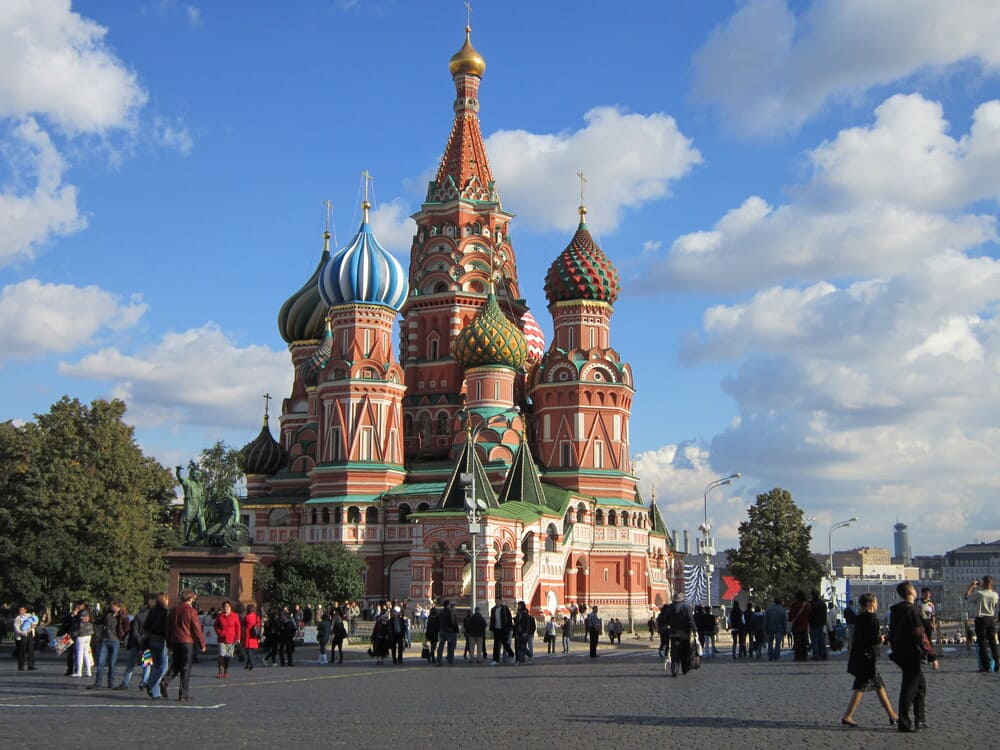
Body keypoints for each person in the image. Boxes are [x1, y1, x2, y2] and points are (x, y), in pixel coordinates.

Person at [840, 594, 899, 728]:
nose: (877, 604)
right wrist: (882, 638)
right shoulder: (873, 618)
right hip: (867, 658)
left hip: (860, 656)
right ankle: (848, 716)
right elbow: (873, 639)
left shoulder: (859, 618)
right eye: (876, 601)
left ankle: (892, 715)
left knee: (879, 686)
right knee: (860, 687)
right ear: (870, 603)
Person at [889, 581, 938, 733]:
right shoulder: (912, 611)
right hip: (911, 653)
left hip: (900, 652)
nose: (916, 591)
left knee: (920, 686)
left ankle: (920, 719)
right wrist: (932, 656)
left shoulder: (896, 611)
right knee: (909, 688)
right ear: (910, 592)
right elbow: (920, 635)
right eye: (914, 589)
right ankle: (904, 723)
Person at [161, 589, 206, 701]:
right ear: (191, 598)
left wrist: (168, 642)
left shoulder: (173, 610)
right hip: (187, 642)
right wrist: (202, 643)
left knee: (176, 664)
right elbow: (196, 628)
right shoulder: (191, 611)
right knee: (186, 668)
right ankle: (183, 694)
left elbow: (168, 627)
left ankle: (165, 680)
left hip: (175, 641)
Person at [118, 594, 155, 690]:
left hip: (137, 643)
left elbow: (134, 632)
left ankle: (125, 683)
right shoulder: (153, 616)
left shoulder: (139, 616)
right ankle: (144, 682)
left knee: (131, 664)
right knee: (146, 665)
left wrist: (139, 642)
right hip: (147, 642)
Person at [89, 599, 129, 689]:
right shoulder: (108, 614)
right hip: (105, 639)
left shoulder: (122, 616)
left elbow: (127, 627)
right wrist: (91, 620)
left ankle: (111, 682)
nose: (111, 607)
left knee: (112, 663)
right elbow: (100, 621)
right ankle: (98, 683)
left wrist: (122, 635)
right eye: (111, 606)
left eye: (113, 606)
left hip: (115, 641)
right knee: (100, 662)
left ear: (117, 606)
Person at [965, 576, 999, 672]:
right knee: (993, 643)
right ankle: (997, 664)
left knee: (982, 643)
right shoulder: (995, 595)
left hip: (981, 619)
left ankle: (986, 665)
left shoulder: (980, 594)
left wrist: (971, 586)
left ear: (984, 582)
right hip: (991, 619)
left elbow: (966, 597)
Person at [143, 593, 170, 698]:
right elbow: (167, 628)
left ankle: (155, 693)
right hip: (161, 639)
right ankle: (150, 684)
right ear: (164, 600)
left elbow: (146, 626)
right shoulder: (165, 612)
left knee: (155, 666)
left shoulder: (152, 611)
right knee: (164, 666)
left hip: (151, 639)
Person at [664, 592, 696, 677]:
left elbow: (665, 620)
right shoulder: (686, 608)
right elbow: (690, 620)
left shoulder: (670, 608)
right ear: (682, 599)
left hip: (674, 634)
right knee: (685, 653)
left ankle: (674, 669)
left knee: (674, 653)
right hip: (685, 635)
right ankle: (685, 669)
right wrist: (695, 631)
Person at [176, 464, 207, 543]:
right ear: (193, 475)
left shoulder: (200, 485)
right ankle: (186, 539)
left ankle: (203, 538)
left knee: (201, 521)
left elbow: (202, 496)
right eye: (196, 474)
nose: (198, 476)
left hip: (198, 505)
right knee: (188, 522)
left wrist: (203, 504)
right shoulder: (188, 483)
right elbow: (181, 479)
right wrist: (178, 471)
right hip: (190, 504)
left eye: (199, 475)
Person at [213, 600, 241, 678]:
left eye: (228, 606)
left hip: (231, 638)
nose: (226, 608)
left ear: (230, 607)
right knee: (221, 655)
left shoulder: (235, 616)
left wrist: (238, 638)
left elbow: (238, 627)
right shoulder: (220, 616)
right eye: (225, 606)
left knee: (228, 656)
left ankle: (226, 671)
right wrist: (219, 633)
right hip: (221, 638)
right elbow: (215, 626)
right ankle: (220, 672)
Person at [13, 604, 38, 671]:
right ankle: (21, 666)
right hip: (22, 635)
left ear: (25, 610)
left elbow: (35, 620)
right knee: (22, 651)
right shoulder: (17, 618)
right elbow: (17, 629)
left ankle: (31, 665)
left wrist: (33, 626)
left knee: (30, 650)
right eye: (20, 610)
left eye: (22, 609)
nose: (21, 611)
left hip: (30, 634)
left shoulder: (29, 615)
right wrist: (24, 632)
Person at [489, 597, 514, 665]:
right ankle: (495, 660)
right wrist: (491, 628)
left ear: (500, 601)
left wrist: (510, 627)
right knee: (496, 645)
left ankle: (511, 654)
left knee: (505, 644)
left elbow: (509, 618)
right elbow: (492, 619)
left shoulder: (505, 609)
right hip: (496, 629)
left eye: (498, 601)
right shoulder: (493, 610)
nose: (497, 602)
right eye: (496, 601)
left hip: (504, 629)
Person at [788, 591, 811, 661]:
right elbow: (809, 615)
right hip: (804, 626)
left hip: (796, 626)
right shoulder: (807, 605)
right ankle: (805, 656)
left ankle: (798, 656)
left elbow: (791, 616)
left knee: (798, 642)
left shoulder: (794, 605)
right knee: (804, 642)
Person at [72, 609, 95, 678]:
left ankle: (79, 672)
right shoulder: (89, 621)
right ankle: (89, 671)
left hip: (81, 636)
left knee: (80, 654)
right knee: (86, 654)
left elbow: (75, 626)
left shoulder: (79, 620)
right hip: (88, 636)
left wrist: (74, 615)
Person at [436, 600, 459, 665]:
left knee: (441, 646)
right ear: (448, 605)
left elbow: (437, 621)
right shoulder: (450, 612)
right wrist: (452, 628)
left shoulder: (441, 612)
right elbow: (452, 622)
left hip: (442, 631)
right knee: (451, 646)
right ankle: (450, 660)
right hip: (449, 632)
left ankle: (439, 660)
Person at [764, 597, 786, 661]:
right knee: (778, 644)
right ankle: (776, 657)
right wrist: (785, 630)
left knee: (770, 643)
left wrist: (765, 628)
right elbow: (784, 621)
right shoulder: (782, 610)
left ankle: (770, 656)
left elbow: (766, 620)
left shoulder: (769, 609)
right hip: (779, 629)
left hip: (770, 628)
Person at [809, 591, 828, 660]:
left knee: (814, 640)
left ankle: (816, 654)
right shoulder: (823, 603)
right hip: (821, 623)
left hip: (814, 623)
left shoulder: (813, 603)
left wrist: (809, 620)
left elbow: (811, 614)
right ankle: (824, 654)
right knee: (821, 639)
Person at [242, 602, 261, 670]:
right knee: (251, 651)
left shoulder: (246, 617)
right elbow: (258, 626)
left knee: (248, 651)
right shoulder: (256, 617)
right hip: (254, 634)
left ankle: (252, 664)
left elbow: (243, 624)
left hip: (248, 634)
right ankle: (247, 664)